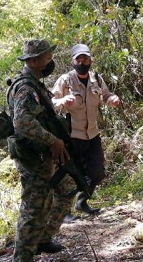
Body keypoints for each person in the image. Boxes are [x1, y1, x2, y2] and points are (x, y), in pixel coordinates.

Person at [8, 39, 74, 262]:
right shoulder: (26, 87)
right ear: (34, 61)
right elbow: (22, 123)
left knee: (66, 190)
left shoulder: (36, 85)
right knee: (32, 212)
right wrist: (52, 141)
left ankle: (44, 239)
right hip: (34, 160)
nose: (50, 61)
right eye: (46, 57)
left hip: (46, 158)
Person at [51, 43, 120, 215]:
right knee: (68, 177)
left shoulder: (96, 78)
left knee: (97, 174)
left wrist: (112, 99)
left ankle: (82, 201)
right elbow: (51, 102)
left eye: (85, 59)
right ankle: (63, 213)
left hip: (93, 134)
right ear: (73, 61)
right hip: (72, 135)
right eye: (79, 59)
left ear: (91, 60)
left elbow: (105, 95)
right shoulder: (65, 80)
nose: (82, 62)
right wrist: (62, 101)